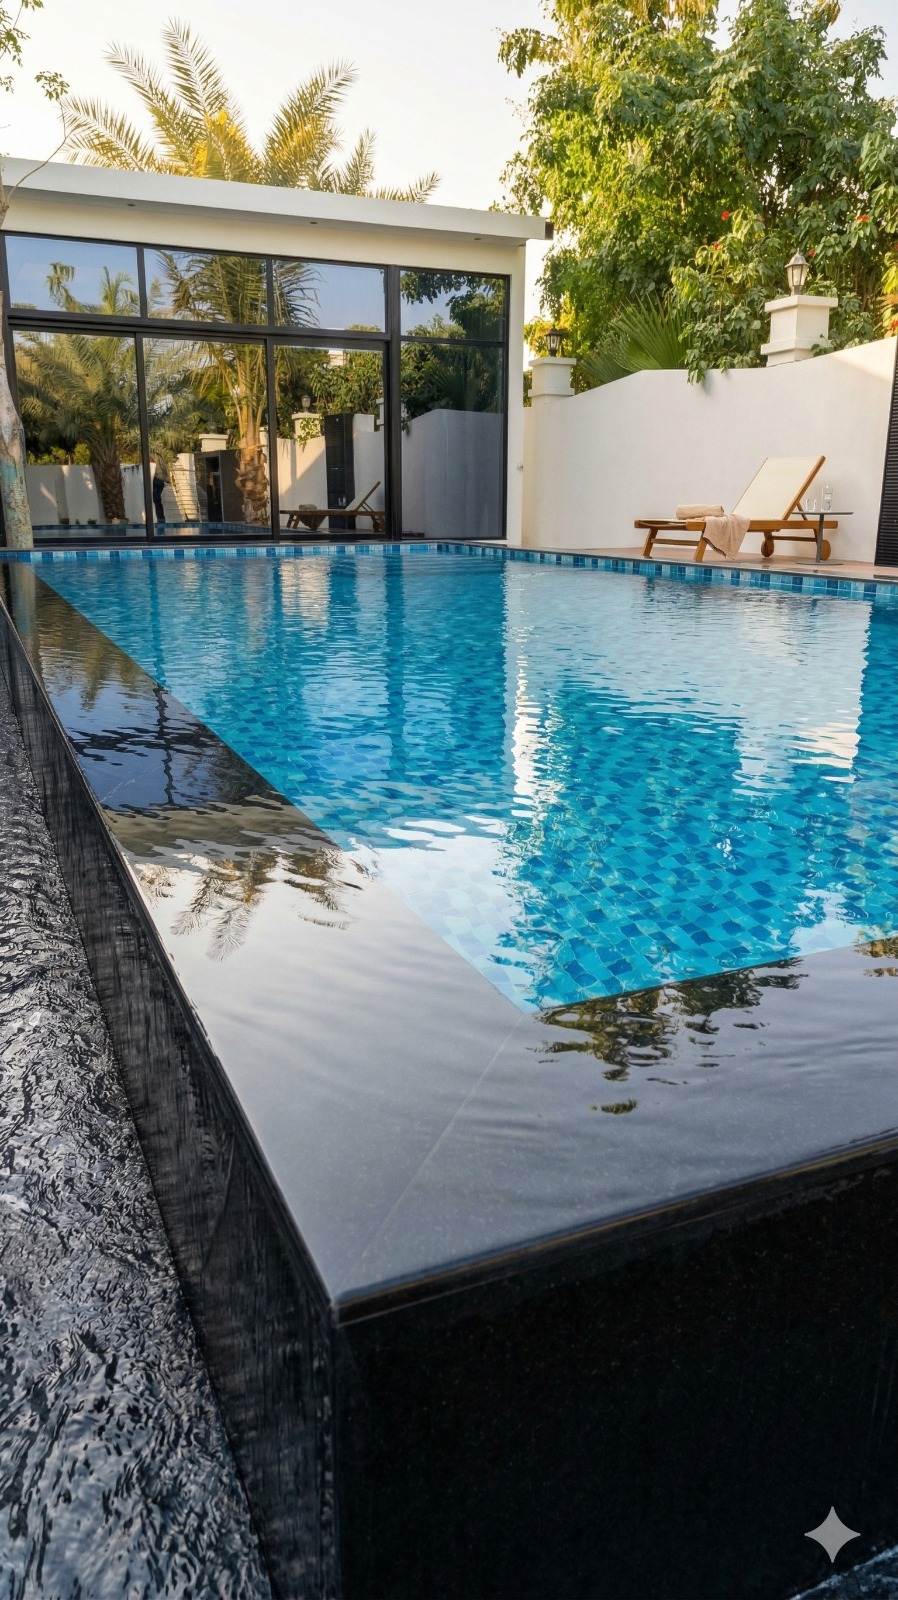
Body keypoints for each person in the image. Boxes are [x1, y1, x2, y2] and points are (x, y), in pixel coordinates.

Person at [151, 458, 169, 524]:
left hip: (157, 480)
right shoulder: (161, 461)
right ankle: (161, 517)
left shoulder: (157, 462)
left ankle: (160, 518)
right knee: (157, 500)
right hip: (160, 481)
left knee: (156, 500)